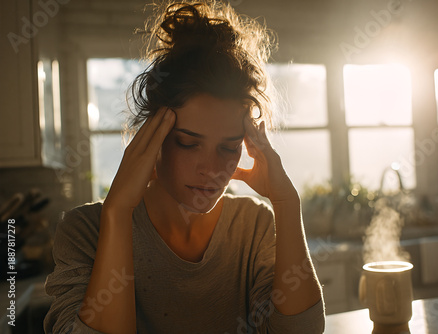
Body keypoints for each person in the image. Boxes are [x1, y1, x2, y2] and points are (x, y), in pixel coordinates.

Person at [43, 1, 325, 333]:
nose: (212, 169)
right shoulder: (85, 232)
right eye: (188, 143)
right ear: (151, 137)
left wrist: (287, 204)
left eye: (229, 147)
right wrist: (118, 213)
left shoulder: (255, 226)